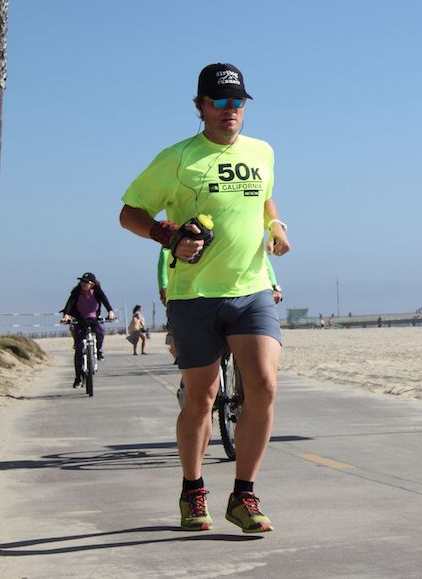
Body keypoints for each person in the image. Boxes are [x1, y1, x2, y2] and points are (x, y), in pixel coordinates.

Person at [119, 63, 291, 534]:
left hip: (251, 289)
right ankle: (193, 490)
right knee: (201, 398)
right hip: (193, 295)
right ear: (200, 107)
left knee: (264, 386)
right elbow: (129, 211)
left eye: (237, 102)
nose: (229, 110)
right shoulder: (177, 159)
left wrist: (275, 226)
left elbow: (265, 199)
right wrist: (166, 235)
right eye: (218, 102)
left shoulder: (263, 152)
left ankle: (244, 495)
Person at [60, 272, 116, 388]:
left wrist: (110, 311)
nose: (83, 284)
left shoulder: (97, 291)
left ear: (92, 284)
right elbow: (70, 303)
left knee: (100, 330)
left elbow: (105, 301)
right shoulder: (76, 292)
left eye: (86, 282)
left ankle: (99, 350)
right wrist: (66, 315)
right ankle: (78, 378)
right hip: (80, 319)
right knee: (79, 348)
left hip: (93, 317)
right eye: (82, 281)